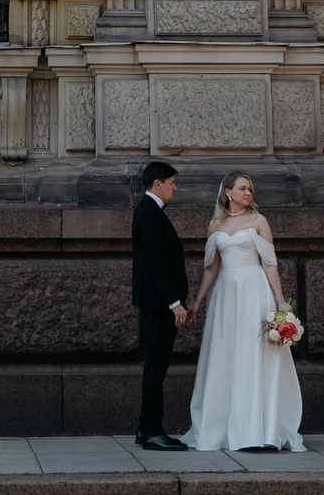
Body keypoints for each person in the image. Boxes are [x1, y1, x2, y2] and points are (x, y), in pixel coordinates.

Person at [181, 171, 304, 453]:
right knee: (226, 354)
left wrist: (281, 301)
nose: (248, 193)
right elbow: (212, 267)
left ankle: (258, 429)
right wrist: (198, 300)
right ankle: (224, 427)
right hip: (226, 293)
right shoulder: (216, 224)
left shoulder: (259, 221)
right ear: (228, 192)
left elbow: (269, 263)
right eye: (242, 188)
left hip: (254, 291)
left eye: (250, 189)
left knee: (254, 354)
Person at [130, 159, 190, 450]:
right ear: (158, 184)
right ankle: (153, 431)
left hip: (158, 304)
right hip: (160, 305)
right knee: (156, 367)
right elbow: (156, 264)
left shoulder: (150, 211)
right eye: (171, 182)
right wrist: (174, 303)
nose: (174, 188)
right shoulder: (149, 213)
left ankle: (145, 428)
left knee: (156, 365)